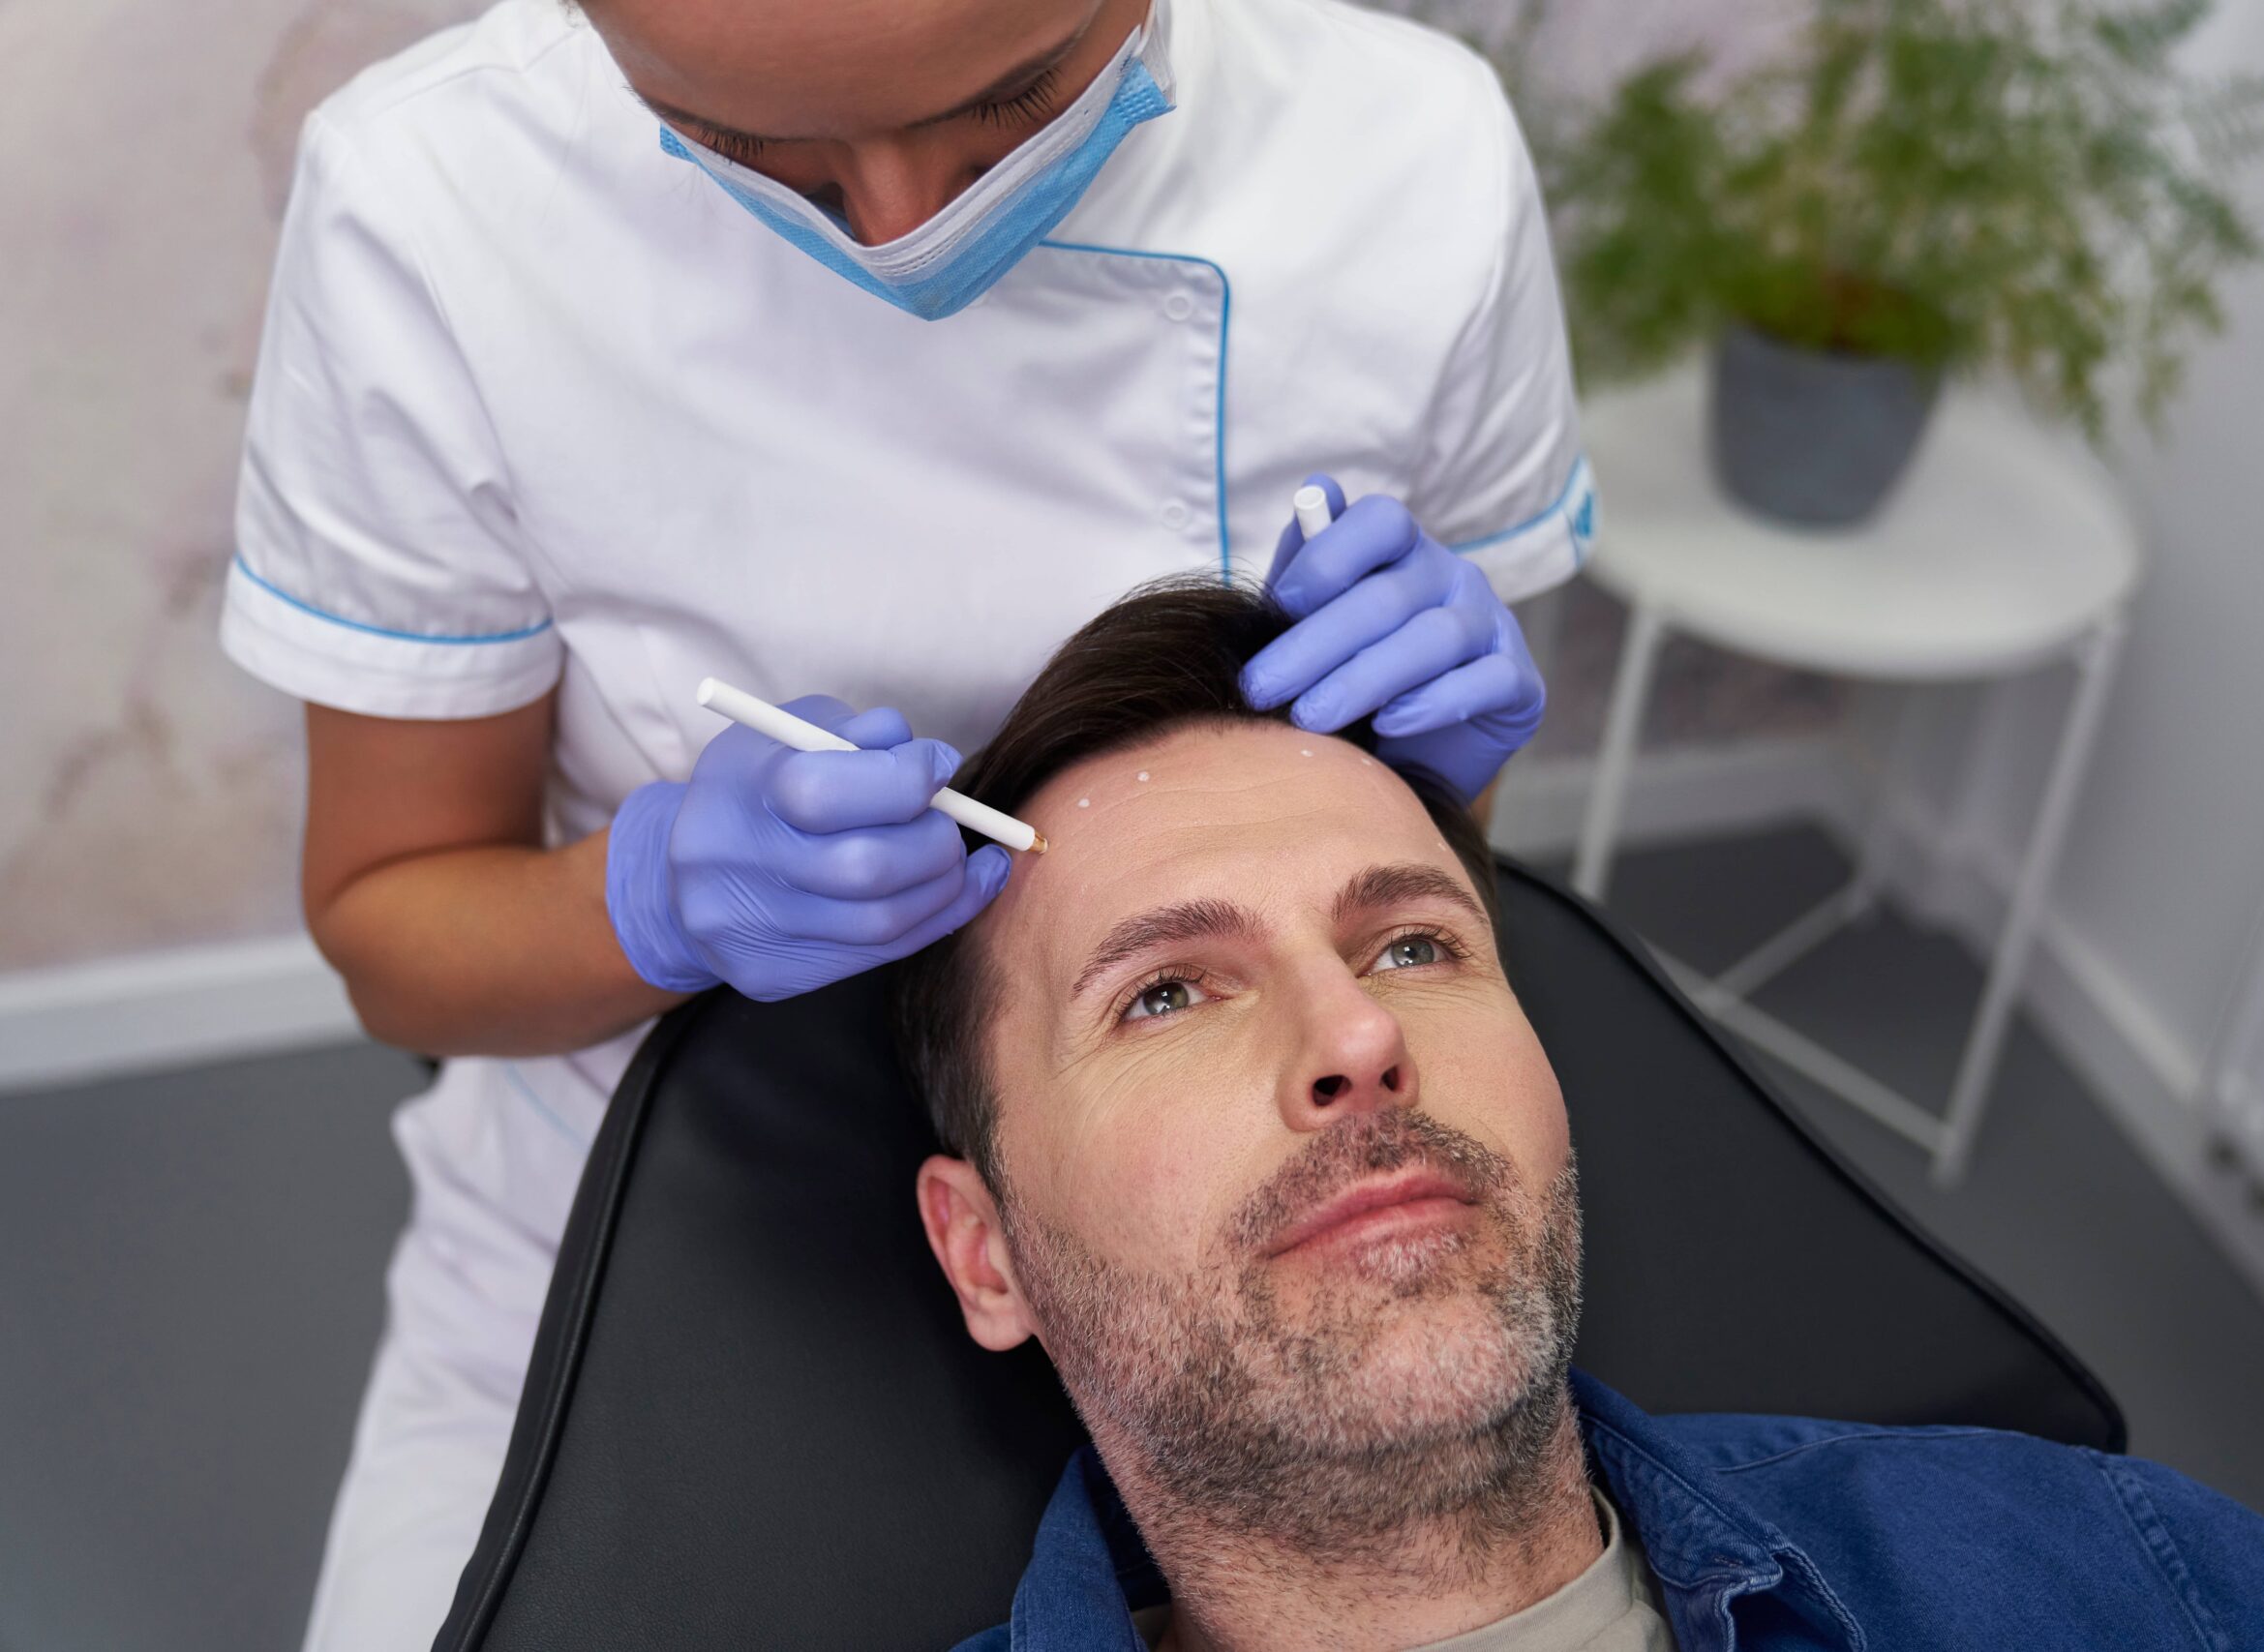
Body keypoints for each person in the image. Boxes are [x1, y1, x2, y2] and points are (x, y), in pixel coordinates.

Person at [217, 0, 1591, 1640]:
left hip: (1239, 1237)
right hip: (643, 1205)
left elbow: (1434, 878)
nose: (897, 225)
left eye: (1010, 107)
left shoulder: (1413, 155)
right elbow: (394, 930)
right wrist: (647, 899)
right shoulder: (431, 198)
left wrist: (1444, 776)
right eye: (758, 150)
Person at [887, 580, 2264, 1652]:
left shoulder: (2090, 1567)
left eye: (1418, 944)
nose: (1362, 1033)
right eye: (1165, 991)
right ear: (986, 1255)